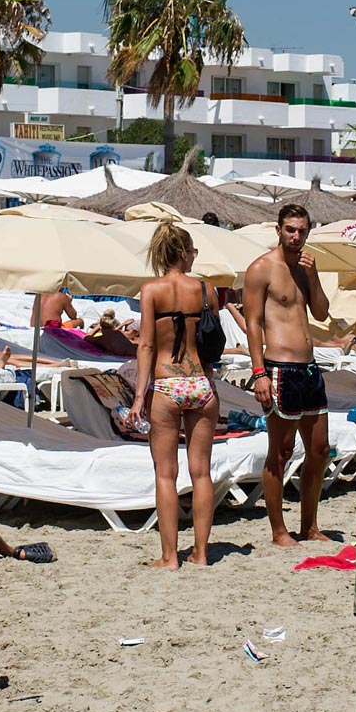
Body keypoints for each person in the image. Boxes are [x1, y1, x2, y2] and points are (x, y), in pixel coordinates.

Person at [243, 203, 332, 546]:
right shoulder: (261, 268)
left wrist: (313, 275)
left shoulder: (305, 268)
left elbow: (322, 313)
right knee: (280, 451)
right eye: (290, 230)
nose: (297, 236)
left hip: (310, 368)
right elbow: (252, 323)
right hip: (279, 368)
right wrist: (258, 373)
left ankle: (309, 525)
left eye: (303, 231)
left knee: (320, 449)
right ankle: (279, 530)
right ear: (278, 230)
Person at [133, 222, 219, 568]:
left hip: (167, 384)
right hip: (201, 382)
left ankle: (170, 556)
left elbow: (147, 345)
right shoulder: (205, 290)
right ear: (185, 254)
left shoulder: (152, 290)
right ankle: (200, 553)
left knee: (165, 473)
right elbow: (212, 341)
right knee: (201, 473)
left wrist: (140, 396)